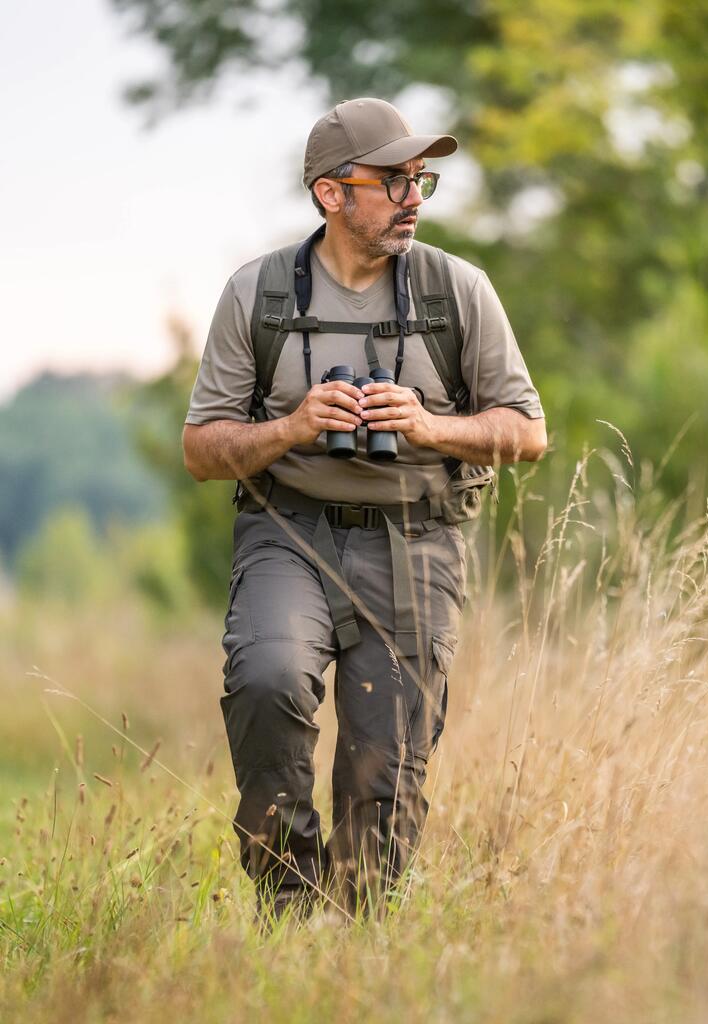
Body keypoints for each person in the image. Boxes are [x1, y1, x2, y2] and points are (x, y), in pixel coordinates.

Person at [182, 97, 546, 925]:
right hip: (288, 533)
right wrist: (292, 427)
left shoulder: (459, 290)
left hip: (417, 543)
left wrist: (426, 426)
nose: (413, 196)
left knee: (385, 769)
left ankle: (357, 928)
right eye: (391, 181)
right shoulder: (260, 293)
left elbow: (527, 432)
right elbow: (202, 450)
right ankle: (290, 901)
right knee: (268, 681)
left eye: (421, 179)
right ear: (330, 193)